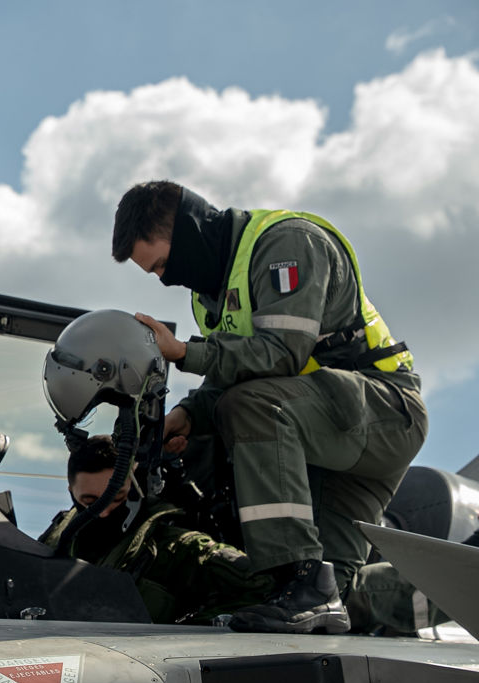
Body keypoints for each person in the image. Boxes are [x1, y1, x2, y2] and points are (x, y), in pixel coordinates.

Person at [113, 180, 428, 633]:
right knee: (329, 603)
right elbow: (234, 376)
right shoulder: (211, 298)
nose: (165, 278)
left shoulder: (288, 244)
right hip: (328, 433)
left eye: (163, 263)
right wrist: (190, 415)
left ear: (187, 232)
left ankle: (295, 571)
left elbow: (282, 354)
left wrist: (184, 353)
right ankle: (319, 588)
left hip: (382, 413)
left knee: (250, 409)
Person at [40, 435, 273, 624]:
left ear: (134, 489)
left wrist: (196, 628)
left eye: (116, 498)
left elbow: (265, 587)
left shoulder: (178, 548)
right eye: (90, 502)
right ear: (70, 489)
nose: (103, 512)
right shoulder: (56, 539)